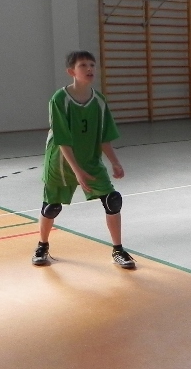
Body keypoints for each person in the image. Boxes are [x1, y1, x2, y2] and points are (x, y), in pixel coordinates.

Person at [32, 50, 135, 269]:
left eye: (92, 65)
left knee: (112, 200)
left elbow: (104, 136)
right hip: (61, 162)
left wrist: (115, 162)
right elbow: (62, 139)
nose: (89, 69)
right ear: (71, 71)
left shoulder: (99, 101)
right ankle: (42, 245)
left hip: (90, 160)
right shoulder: (59, 99)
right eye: (83, 65)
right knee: (51, 207)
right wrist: (77, 171)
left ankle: (118, 250)